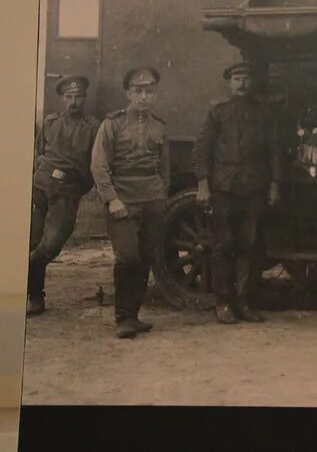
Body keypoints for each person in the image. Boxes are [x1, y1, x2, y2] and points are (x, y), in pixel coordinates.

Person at [192, 61, 282, 324]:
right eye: (237, 79)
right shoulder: (217, 112)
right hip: (224, 186)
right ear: (229, 83)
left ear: (252, 83)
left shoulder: (264, 113)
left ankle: (243, 301)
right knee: (223, 243)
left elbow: (274, 151)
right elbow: (202, 150)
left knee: (249, 244)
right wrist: (203, 185)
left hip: (254, 186)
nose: (242, 83)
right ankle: (223, 302)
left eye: (246, 78)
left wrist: (275, 184)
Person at [91, 67, 170, 339]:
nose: (144, 97)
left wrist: (161, 195)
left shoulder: (159, 126)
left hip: (152, 200)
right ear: (128, 93)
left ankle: (134, 315)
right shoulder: (111, 124)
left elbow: (165, 167)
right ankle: (123, 318)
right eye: (139, 91)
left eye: (149, 91)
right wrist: (112, 199)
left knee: (147, 257)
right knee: (128, 257)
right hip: (123, 201)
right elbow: (99, 166)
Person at [26, 75, 100, 316]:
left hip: (67, 193)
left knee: (51, 245)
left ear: (85, 98)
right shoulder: (49, 122)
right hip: (40, 187)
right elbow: (39, 153)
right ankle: (35, 297)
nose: (73, 102)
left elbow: (95, 166)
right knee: (31, 241)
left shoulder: (93, 128)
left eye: (78, 97)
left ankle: (19, 274)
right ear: (62, 99)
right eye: (69, 97)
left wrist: (78, 189)